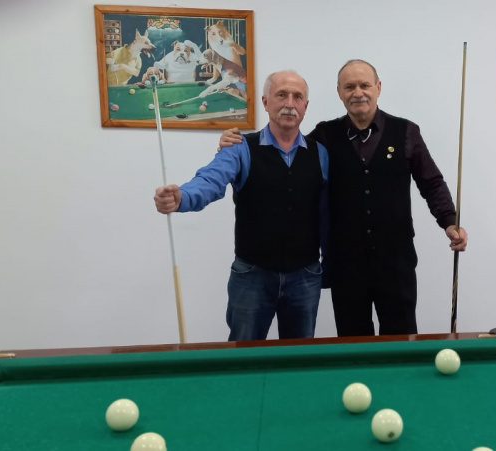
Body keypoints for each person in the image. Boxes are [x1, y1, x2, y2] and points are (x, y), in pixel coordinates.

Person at [219, 59, 468, 337]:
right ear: (339, 92)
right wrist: (237, 143)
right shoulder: (324, 136)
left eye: (364, 85)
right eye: (349, 87)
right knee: (353, 345)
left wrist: (449, 221)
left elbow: (431, 183)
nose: (357, 93)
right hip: (346, 266)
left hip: (396, 263)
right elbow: (286, 148)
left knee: (400, 342)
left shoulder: (406, 132)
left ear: (378, 87)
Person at [153, 70, 328, 341]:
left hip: (305, 275)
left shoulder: (321, 153)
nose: (289, 103)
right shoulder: (239, 147)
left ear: (306, 105)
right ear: (265, 102)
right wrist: (182, 197)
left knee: (299, 358)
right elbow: (210, 180)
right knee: (243, 355)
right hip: (252, 276)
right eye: (281, 95)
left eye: (297, 97)